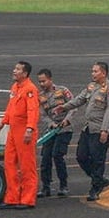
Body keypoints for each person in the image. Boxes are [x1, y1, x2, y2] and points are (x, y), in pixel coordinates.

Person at [53, 61, 109, 202]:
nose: (92, 74)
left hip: (99, 129)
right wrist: (64, 107)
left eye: (95, 71)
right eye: (92, 71)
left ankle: (95, 188)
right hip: (87, 128)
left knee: (97, 158)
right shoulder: (91, 86)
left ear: (104, 73)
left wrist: (104, 130)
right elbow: (79, 100)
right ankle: (98, 179)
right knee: (81, 156)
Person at [0, 61, 40, 209]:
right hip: (13, 130)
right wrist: (3, 122)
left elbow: (33, 111)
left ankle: (27, 199)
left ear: (25, 73)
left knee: (27, 165)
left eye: (18, 69)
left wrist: (29, 129)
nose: (14, 71)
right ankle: (12, 197)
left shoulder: (30, 89)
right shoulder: (15, 88)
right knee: (9, 163)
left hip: (24, 130)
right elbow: (11, 107)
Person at [36, 68, 75, 198]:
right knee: (45, 157)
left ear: (50, 79)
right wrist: (50, 123)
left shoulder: (63, 90)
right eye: (40, 82)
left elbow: (73, 107)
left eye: (43, 81)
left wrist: (66, 120)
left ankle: (63, 185)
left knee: (57, 155)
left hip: (64, 129)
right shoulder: (40, 96)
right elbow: (42, 114)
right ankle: (46, 186)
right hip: (51, 130)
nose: (41, 84)